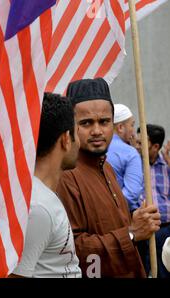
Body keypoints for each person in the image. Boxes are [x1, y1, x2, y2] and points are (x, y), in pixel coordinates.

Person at [56, 78, 161, 278]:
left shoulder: (107, 168)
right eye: (86, 123)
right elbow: (73, 251)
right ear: (71, 126)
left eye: (104, 121)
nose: (97, 131)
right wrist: (131, 234)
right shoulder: (66, 175)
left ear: (113, 125)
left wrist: (140, 220)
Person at [10, 93, 82, 278]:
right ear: (66, 139)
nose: (79, 143)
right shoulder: (38, 207)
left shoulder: (40, 197)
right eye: (77, 132)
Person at [137, 124, 170, 278]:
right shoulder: (134, 164)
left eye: (141, 143)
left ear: (155, 146)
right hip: (146, 227)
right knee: (145, 269)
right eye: (136, 142)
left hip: (167, 227)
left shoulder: (167, 165)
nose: (137, 146)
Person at [107, 104, 143, 211]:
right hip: (122, 217)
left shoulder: (95, 147)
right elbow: (132, 194)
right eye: (132, 125)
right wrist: (110, 208)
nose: (133, 131)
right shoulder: (130, 153)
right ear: (120, 127)